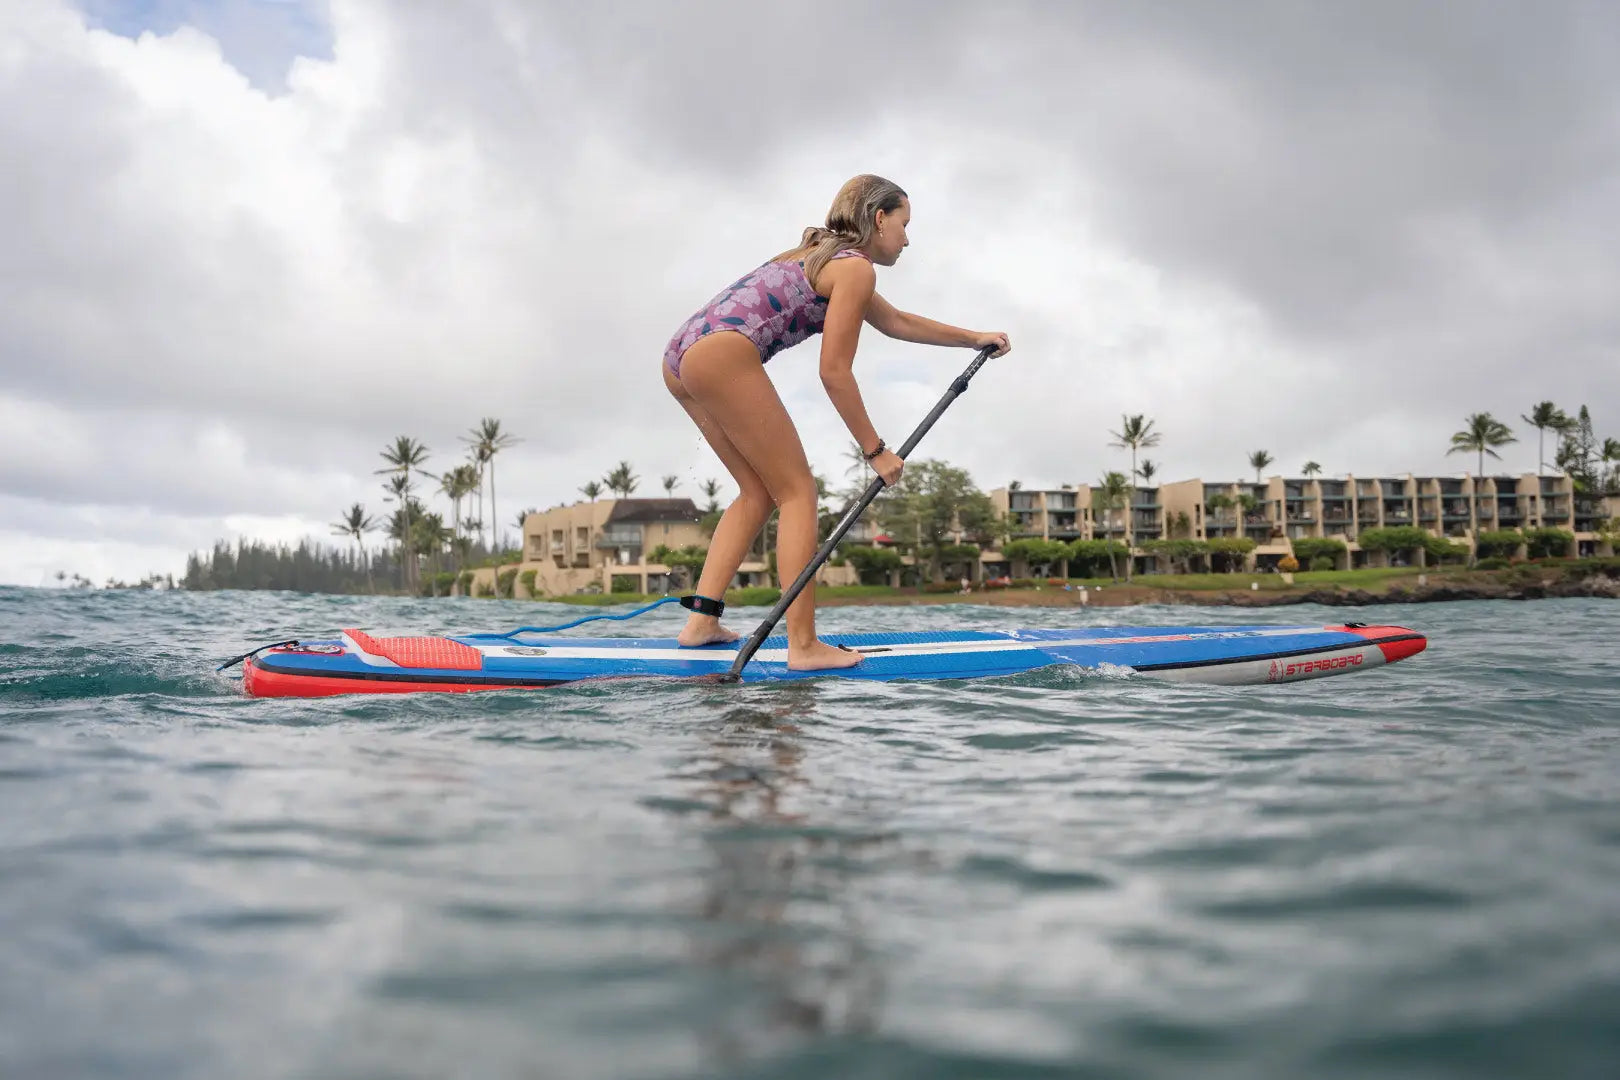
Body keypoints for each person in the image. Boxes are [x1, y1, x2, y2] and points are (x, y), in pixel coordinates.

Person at [661, 174, 1011, 671]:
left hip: (682, 354)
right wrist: (875, 450)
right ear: (879, 219)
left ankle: (701, 622)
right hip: (719, 354)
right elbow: (834, 372)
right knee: (798, 493)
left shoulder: (821, 254)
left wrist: (974, 338)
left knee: (757, 492)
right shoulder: (855, 268)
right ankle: (803, 646)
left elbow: (895, 322)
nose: (907, 239)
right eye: (905, 225)